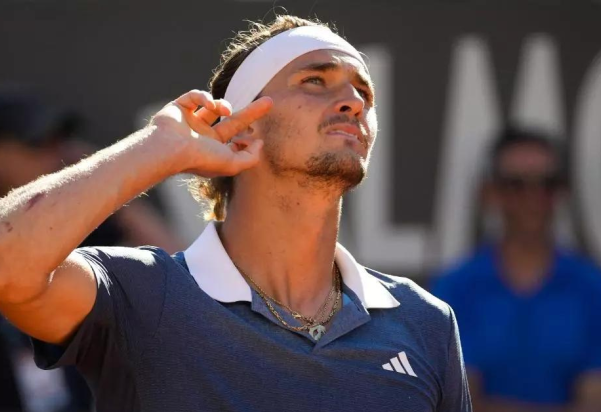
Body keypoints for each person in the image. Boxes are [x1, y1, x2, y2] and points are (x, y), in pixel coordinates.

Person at [0, 15, 471, 411]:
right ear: (240, 129)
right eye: (315, 80)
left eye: (363, 94)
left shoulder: (426, 322)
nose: (354, 102)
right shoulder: (138, 292)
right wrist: (153, 150)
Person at [0, 88, 183, 411]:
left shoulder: (77, 228)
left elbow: (175, 282)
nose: (53, 154)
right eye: (36, 144)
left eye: (59, 141)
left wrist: (103, 184)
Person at [432, 127, 601, 412]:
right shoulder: (455, 290)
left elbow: (597, 401)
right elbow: (459, 402)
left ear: (562, 192)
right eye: (516, 184)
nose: (533, 197)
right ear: (491, 193)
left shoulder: (593, 289)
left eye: (546, 183)